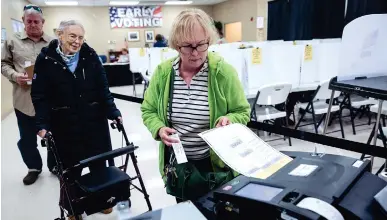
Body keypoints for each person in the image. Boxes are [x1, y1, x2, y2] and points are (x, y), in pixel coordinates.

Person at [141, 9, 250, 201]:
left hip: (216, 165)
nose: (196, 53)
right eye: (187, 46)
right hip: (180, 165)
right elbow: (148, 110)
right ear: (176, 45)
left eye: (201, 44)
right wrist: (158, 128)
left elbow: (242, 111)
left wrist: (230, 119)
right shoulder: (163, 73)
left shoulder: (223, 73)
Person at [31, 20, 122, 218]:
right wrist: (42, 124)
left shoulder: (90, 56)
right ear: (59, 35)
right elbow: (40, 96)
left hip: (94, 121)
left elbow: (103, 89)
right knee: (70, 170)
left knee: (99, 164)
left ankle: (101, 200)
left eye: (81, 37)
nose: (77, 41)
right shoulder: (46, 59)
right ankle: (73, 209)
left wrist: (113, 112)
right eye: (72, 36)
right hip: (64, 123)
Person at [1, 4, 54, 185]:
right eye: (28, 21)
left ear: (43, 23)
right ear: (23, 21)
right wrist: (15, 76)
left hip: (49, 101)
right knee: (27, 138)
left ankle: (54, 165)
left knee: (54, 134)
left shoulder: (53, 43)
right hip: (24, 100)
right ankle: (34, 167)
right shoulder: (12, 41)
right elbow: (3, 64)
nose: (32, 24)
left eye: (36, 21)